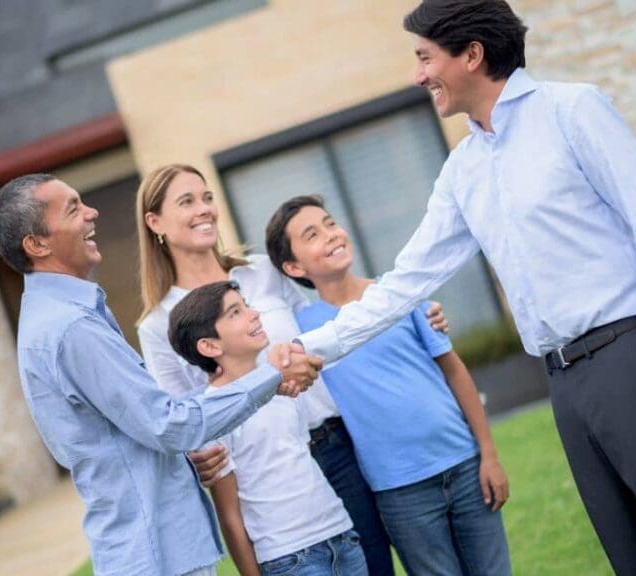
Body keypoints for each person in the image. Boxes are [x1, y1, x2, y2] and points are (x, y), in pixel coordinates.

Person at [291, 1, 636, 575]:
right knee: (633, 557)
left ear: (471, 54)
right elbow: (405, 282)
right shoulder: (463, 169)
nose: (417, 76)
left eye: (424, 58)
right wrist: (317, 348)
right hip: (562, 379)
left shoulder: (573, 110)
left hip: (631, 357)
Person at [0, 173, 322, 576]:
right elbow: (168, 425)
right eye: (74, 209)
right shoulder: (71, 328)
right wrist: (268, 375)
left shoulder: (64, 317)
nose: (92, 214)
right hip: (156, 557)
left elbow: (137, 427)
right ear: (37, 244)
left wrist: (182, 456)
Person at [135, 164, 446, 576]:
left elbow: (330, 324)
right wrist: (197, 456)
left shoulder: (260, 271)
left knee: (373, 564)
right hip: (264, 478)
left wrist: (410, 310)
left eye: (207, 197)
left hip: (339, 446)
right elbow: (179, 416)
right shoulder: (158, 324)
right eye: (186, 201)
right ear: (155, 222)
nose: (204, 209)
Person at [266, 195, 511, 576]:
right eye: (312, 234)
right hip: (400, 492)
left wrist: (489, 454)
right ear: (293, 265)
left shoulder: (399, 295)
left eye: (331, 223)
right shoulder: (305, 331)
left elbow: (455, 372)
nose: (330, 235)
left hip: (464, 466)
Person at [168, 280, 368, 576]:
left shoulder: (281, 386)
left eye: (247, 305)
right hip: (289, 557)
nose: (254, 314)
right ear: (210, 346)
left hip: (342, 535)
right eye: (235, 312)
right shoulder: (213, 416)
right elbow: (230, 516)